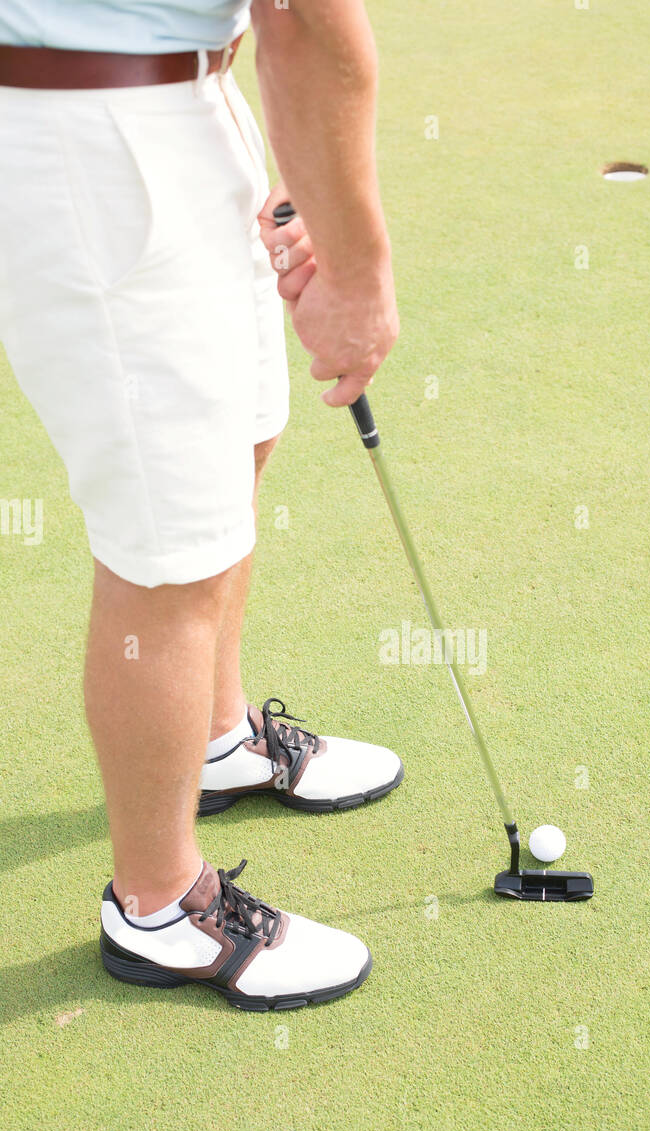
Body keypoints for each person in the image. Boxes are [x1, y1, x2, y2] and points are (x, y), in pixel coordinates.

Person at [0, 1, 400, 1010]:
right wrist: (358, 275)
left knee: (240, 436)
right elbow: (308, 26)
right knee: (168, 540)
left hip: (176, 100)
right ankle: (158, 904)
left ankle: (218, 743)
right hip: (95, 136)